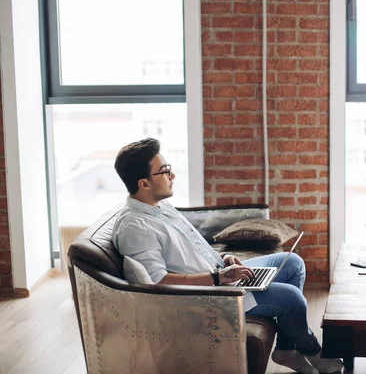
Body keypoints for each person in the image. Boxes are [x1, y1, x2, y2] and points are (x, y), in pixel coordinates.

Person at [111, 138, 343, 374]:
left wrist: (225, 260)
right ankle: (315, 351)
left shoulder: (160, 206)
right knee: (292, 300)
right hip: (211, 297)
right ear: (144, 183)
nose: (173, 176)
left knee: (292, 263)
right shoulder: (135, 227)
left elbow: (192, 249)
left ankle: (286, 349)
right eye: (165, 171)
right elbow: (158, 282)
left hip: (219, 277)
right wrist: (217, 278)